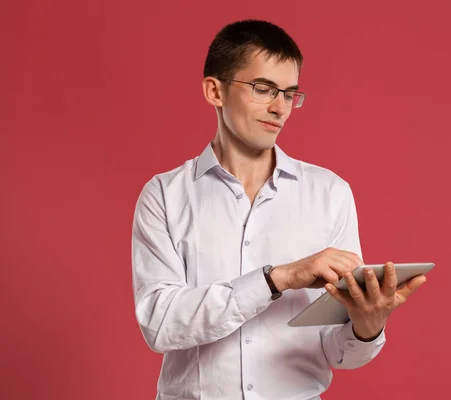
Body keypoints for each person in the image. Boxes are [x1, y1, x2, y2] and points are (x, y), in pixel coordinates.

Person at [131, 19, 427, 400]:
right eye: (263, 89)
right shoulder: (164, 195)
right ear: (214, 91)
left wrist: (367, 325)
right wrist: (277, 279)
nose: (280, 108)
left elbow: (337, 351)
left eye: (289, 93)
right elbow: (160, 324)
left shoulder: (329, 193)